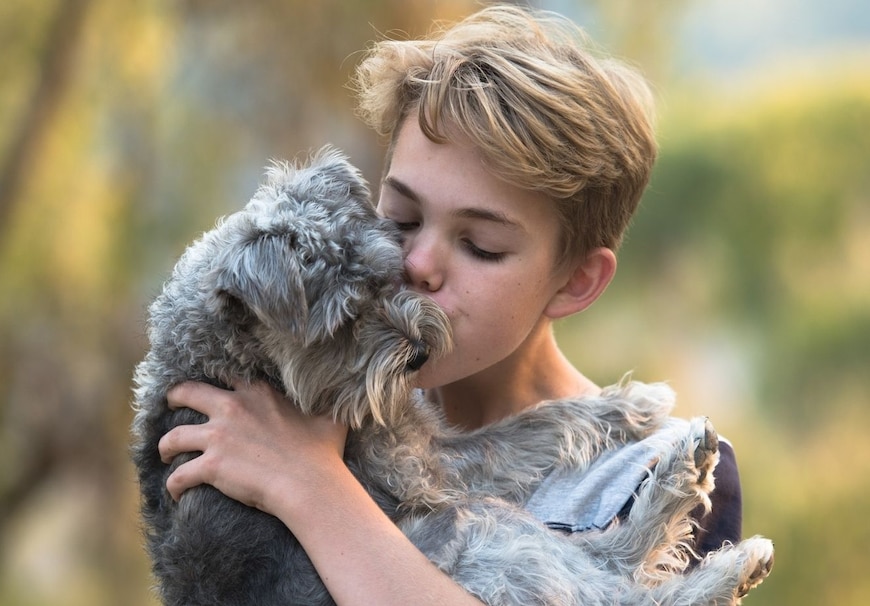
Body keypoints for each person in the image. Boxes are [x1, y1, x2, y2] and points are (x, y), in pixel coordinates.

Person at [158, 5, 742, 604]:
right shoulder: (300, 408)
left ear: (576, 281)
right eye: (402, 217)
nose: (418, 264)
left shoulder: (657, 477)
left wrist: (314, 488)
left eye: (480, 246)